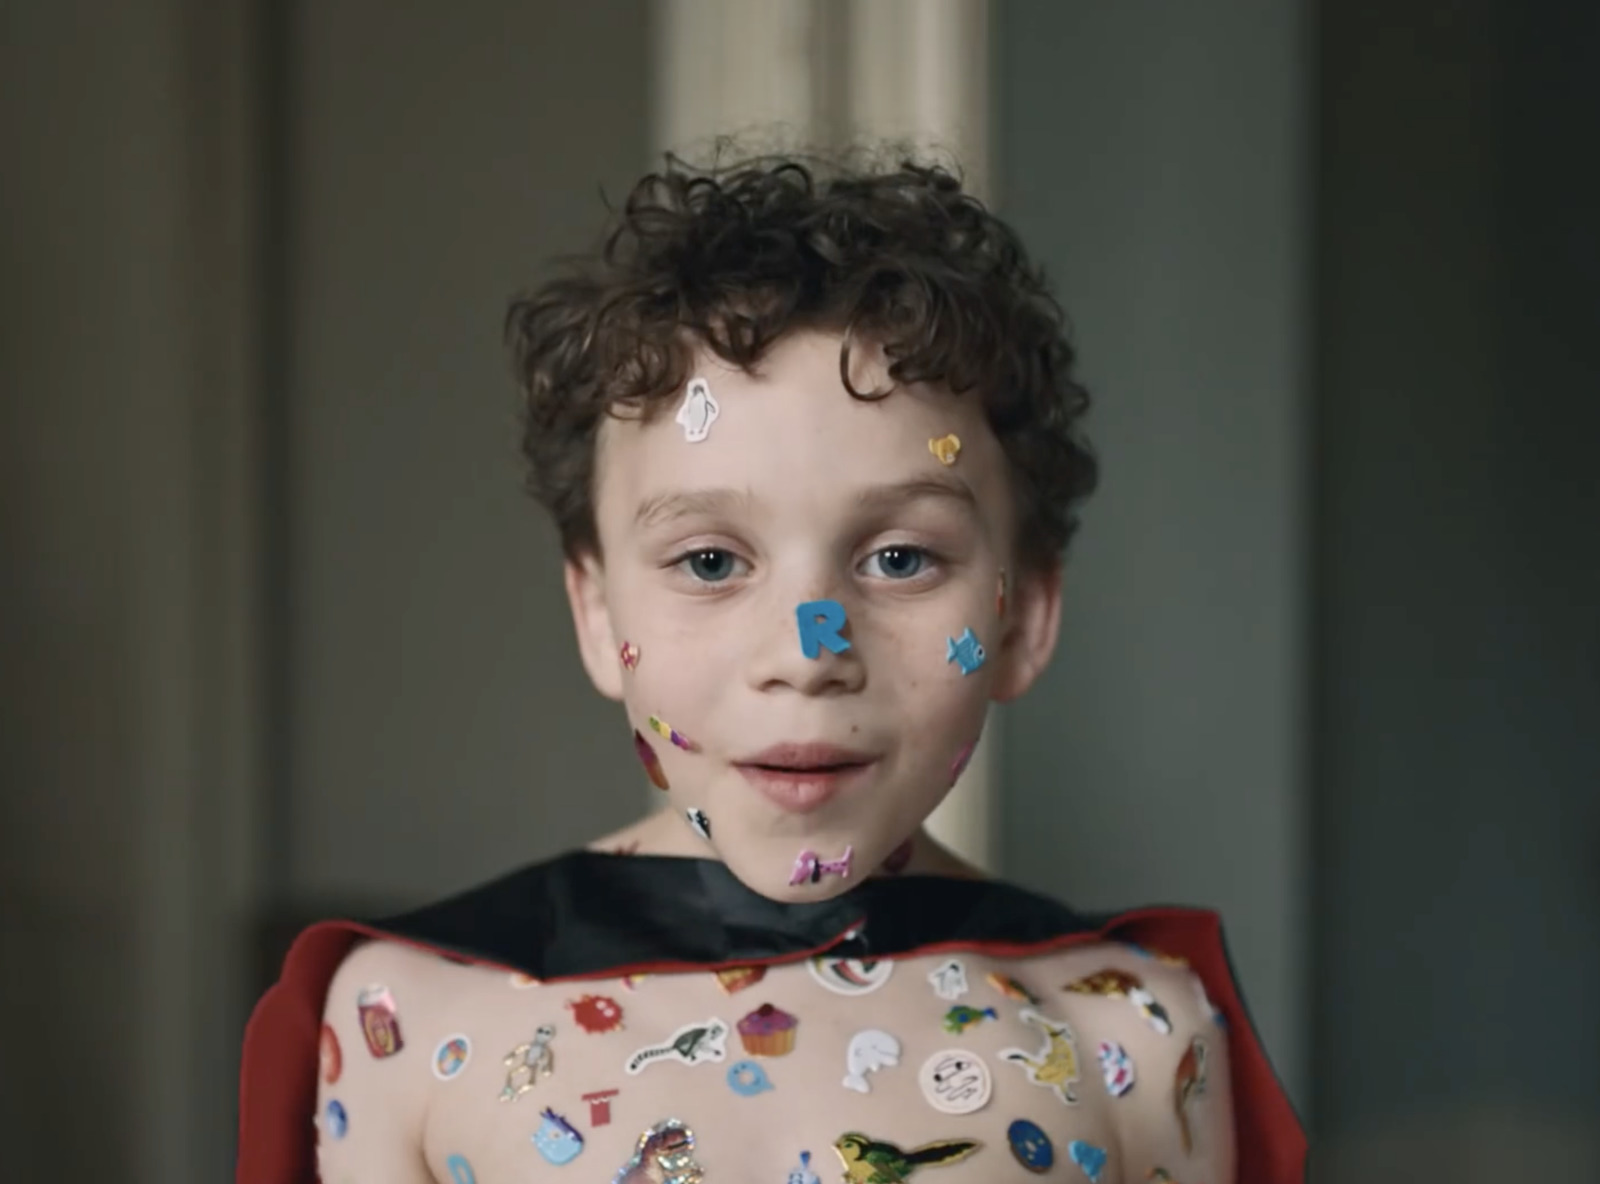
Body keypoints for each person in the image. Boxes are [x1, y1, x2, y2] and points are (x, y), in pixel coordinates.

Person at [236, 148, 1306, 1184]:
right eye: (709, 560)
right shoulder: (413, 1022)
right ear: (599, 613)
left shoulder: (1133, 1028)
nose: (808, 657)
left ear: (1022, 614)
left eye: (898, 557)